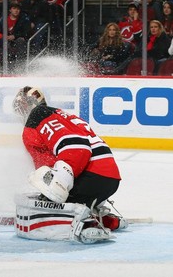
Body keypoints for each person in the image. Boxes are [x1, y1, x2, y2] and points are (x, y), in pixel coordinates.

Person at [12, 86, 128, 244]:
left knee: (50, 205)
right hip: (107, 178)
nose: (21, 112)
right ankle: (102, 217)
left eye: (23, 106)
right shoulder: (60, 115)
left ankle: (87, 223)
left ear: (30, 104)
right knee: (50, 198)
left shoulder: (38, 116)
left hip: (92, 177)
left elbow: (77, 147)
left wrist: (61, 182)